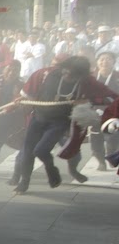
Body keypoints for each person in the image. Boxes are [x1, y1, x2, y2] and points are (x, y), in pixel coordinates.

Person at [10, 56, 119, 194]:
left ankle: (52, 170)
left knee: (41, 150)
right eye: (66, 72)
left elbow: (112, 97)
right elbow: (27, 93)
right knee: (27, 151)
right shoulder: (45, 73)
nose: (67, 76)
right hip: (38, 117)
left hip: (60, 121)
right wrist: (20, 101)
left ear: (81, 75)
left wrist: (88, 100)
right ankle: (24, 182)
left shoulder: (87, 80)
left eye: (72, 75)